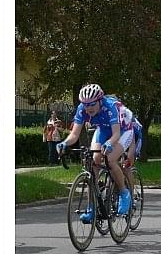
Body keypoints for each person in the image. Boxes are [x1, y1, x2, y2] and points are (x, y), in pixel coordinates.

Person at [57, 84, 134, 222]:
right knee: (94, 161)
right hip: (103, 129)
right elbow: (74, 134)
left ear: (99, 101)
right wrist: (64, 143)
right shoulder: (82, 109)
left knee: (110, 160)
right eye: (85, 104)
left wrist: (110, 144)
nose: (89, 108)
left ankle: (124, 192)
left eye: (92, 104)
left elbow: (116, 134)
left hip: (123, 131)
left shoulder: (110, 107)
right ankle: (92, 207)